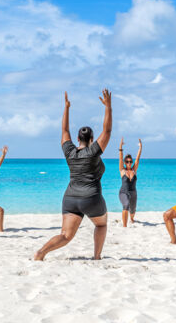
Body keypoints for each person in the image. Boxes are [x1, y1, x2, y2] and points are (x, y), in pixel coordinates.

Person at [34, 89, 112, 261]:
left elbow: (64, 130)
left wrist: (66, 108)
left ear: (77, 138)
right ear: (92, 138)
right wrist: (108, 107)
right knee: (101, 224)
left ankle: (41, 253)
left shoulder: (69, 151)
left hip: (70, 198)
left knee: (66, 236)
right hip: (91, 197)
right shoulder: (93, 151)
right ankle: (97, 256)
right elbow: (107, 131)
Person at [118, 137, 142, 227]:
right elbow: (120, 159)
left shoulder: (134, 170)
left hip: (133, 193)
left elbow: (138, 159)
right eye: (127, 161)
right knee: (126, 205)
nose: (129, 163)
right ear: (125, 162)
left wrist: (140, 148)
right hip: (123, 192)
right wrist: (120, 147)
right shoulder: (122, 170)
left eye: (130, 161)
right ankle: (124, 226)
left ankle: (131, 218)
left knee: (132, 211)